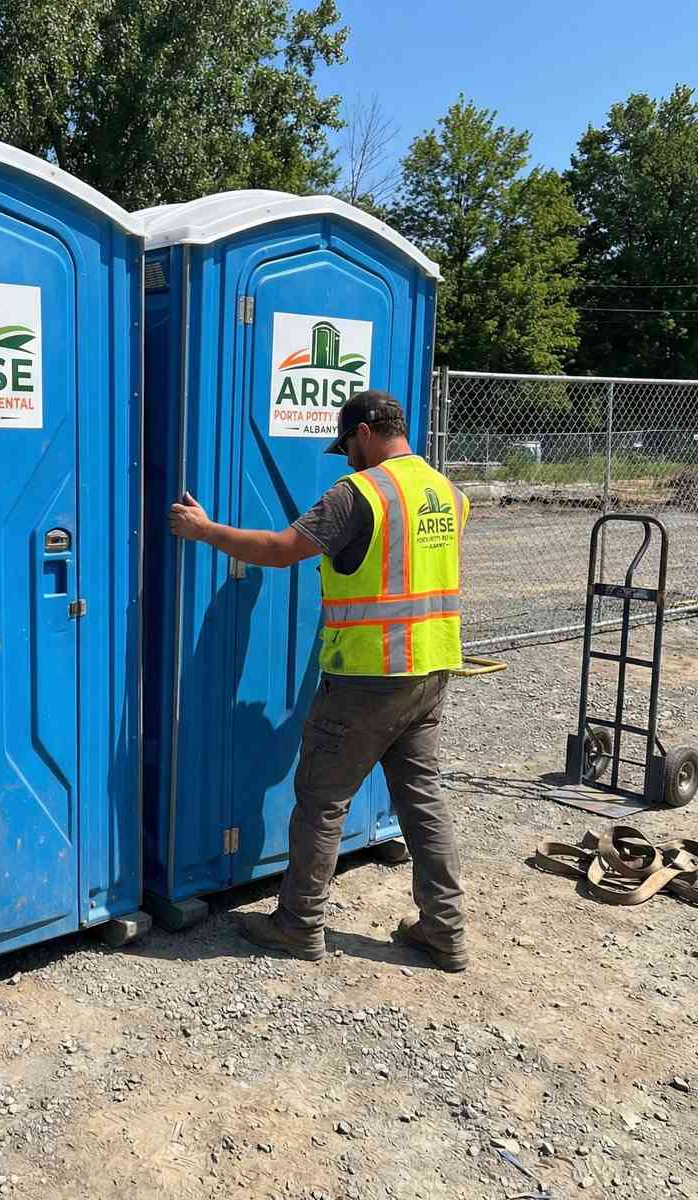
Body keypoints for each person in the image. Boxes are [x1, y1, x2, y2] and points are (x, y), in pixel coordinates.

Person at [168, 389, 470, 972]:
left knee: (322, 801)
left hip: (367, 676)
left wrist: (204, 530)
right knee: (424, 803)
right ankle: (445, 933)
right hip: (430, 672)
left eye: (346, 448)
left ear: (362, 433)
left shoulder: (360, 493)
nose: (345, 460)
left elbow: (284, 550)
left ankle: (298, 925)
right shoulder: (447, 492)